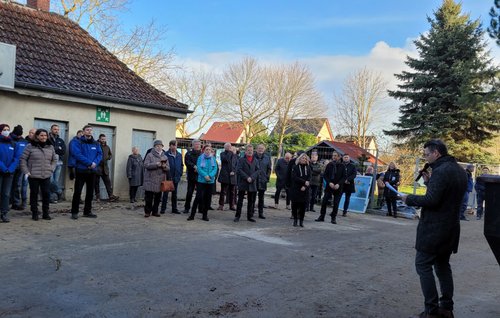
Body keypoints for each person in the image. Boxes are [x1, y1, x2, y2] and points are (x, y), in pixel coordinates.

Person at [400, 139, 467, 318]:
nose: (425, 157)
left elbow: (432, 201)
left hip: (434, 229)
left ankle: (431, 310)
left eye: (426, 154)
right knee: (443, 266)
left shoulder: (441, 171)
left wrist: (409, 199)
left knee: (423, 264)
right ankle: (446, 308)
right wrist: (430, 183)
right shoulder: (459, 171)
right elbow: (445, 196)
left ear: (436, 153)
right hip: (451, 228)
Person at [20, 129, 57, 221]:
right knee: (34, 194)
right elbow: (23, 159)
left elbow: (54, 160)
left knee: (46, 194)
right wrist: (26, 171)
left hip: (46, 175)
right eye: (41, 135)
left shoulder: (50, 147)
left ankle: (45, 213)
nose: (44, 137)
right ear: (37, 136)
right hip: (33, 175)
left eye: (45, 135)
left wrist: (51, 169)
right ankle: (35, 213)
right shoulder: (30, 146)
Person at [69, 125, 102, 220]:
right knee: (77, 192)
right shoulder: (77, 142)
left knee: (90, 193)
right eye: (87, 130)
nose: (89, 132)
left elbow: (100, 154)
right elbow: (76, 154)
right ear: (83, 132)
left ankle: (87, 211)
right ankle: (74, 212)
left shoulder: (96, 143)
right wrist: (89, 163)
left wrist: (95, 163)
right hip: (81, 170)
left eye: (91, 130)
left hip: (92, 171)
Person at [188, 144, 216, 221]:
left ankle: (205, 215)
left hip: (210, 181)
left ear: (211, 151)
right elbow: (199, 168)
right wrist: (205, 176)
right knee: (198, 197)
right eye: (206, 149)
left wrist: (210, 176)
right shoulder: (200, 158)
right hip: (201, 181)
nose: (208, 151)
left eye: (209, 150)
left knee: (208, 199)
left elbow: (215, 169)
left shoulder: (213, 158)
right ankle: (192, 215)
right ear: (203, 150)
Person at [315, 151, 345, 224]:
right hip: (329, 186)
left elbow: (344, 177)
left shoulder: (342, 166)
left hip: (338, 187)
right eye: (333, 155)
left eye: (335, 156)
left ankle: (333, 218)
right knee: (324, 201)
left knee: (336, 203)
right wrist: (329, 182)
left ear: (339, 157)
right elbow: (325, 175)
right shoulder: (329, 165)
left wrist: (338, 184)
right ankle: (322, 216)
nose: (334, 157)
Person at [0, 124, 21, 223]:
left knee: (6, 194)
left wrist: (10, 169)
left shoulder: (13, 143)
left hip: (9, 173)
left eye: (8, 129)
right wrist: (4, 168)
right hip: (1, 171)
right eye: (4, 129)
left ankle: (4, 213)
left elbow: (17, 158)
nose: (6, 131)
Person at [143, 140, 169, 218]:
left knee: (158, 198)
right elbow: (146, 165)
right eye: (157, 146)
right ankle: (147, 212)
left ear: (162, 147)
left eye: (160, 146)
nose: (159, 147)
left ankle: (155, 211)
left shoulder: (165, 156)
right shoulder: (149, 155)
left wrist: (165, 167)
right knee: (149, 198)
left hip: (160, 180)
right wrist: (156, 164)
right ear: (154, 147)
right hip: (150, 180)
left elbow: (168, 168)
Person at [234, 144, 259, 223]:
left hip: (252, 182)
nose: (250, 152)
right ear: (245, 151)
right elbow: (239, 170)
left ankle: (249, 216)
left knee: (251, 201)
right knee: (240, 200)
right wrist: (247, 177)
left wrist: (252, 177)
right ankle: (237, 216)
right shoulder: (241, 160)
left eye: (251, 151)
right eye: (248, 150)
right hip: (243, 182)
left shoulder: (255, 160)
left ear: (253, 151)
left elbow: (258, 171)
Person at [94, 134, 119, 202]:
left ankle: (110, 196)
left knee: (108, 182)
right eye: (102, 139)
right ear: (99, 139)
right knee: (96, 183)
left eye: (104, 139)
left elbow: (110, 154)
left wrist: (108, 157)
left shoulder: (107, 147)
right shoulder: (96, 145)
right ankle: (97, 197)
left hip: (105, 168)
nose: (103, 140)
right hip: (97, 167)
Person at [161, 140, 183, 214]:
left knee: (174, 194)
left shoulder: (179, 155)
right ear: (170, 146)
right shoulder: (165, 154)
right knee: (166, 194)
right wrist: (166, 174)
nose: (174, 147)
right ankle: (163, 209)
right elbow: (163, 165)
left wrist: (180, 174)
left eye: (175, 145)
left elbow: (181, 165)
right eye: (173, 145)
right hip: (168, 177)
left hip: (176, 177)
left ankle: (174, 209)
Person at [10, 125, 29, 210]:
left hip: (20, 166)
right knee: (8, 185)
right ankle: (6, 202)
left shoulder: (24, 141)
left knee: (17, 185)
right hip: (10, 166)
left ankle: (16, 203)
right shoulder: (9, 139)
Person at [290, 153, 311, 227]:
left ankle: (301, 221)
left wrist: (305, 186)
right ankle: (295, 220)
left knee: (303, 206)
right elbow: (294, 177)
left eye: (305, 159)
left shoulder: (308, 168)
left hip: (305, 190)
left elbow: (309, 178)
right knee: (295, 206)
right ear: (299, 159)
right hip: (296, 189)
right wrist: (304, 182)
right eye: (302, 158)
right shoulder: (295, 167)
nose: (304, 160)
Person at [48, 124, 66, 203]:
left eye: (57, 129)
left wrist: (56, 149)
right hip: (49, 163)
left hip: (59, 163)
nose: (56, 131)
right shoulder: (47, 139)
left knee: (56, 180)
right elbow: (48, 150)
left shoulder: (60, 140)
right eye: (55, 129)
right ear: (51, 130)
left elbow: (63, 151)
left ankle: (52, 198)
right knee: (50, 180)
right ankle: (59, 191)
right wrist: (57, 149)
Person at [184, 139, 202, 214]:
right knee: (189, 192)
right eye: (196, 144)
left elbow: (204, 163)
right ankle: (187, 208)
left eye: (199, 144)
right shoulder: (188, 154)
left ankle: (200, 208)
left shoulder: (202, 154)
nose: (198, 145)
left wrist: (199, 169)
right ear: (193, 145)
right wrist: (194, 167)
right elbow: (187, 162)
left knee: (200, 193)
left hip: (200, 176)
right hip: (191, 175)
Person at [217, 142, 236, 211]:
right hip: (224, 175)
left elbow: (236, 164)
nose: (228, 147)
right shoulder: (222, 154)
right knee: (223, 191)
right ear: (224, 147)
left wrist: (234, 171)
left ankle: (232, 205)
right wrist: (230, 152)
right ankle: (221, 205)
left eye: (229, 146)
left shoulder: (234, 155)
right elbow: (226, 160)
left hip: (232, 176)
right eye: (227, 146)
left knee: (232, 192)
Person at [254, 144, 272, 219]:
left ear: (264, 149)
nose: (260, 149)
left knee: (261, 198)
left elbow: (269, 169)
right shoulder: (253, 157)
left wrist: (267, 177)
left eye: (262, 148)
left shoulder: (267, 158)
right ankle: (251, 211)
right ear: (256, 149)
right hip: (254, 180)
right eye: (259, 148)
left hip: (263, 180)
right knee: (252, 197)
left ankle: (260, 213)